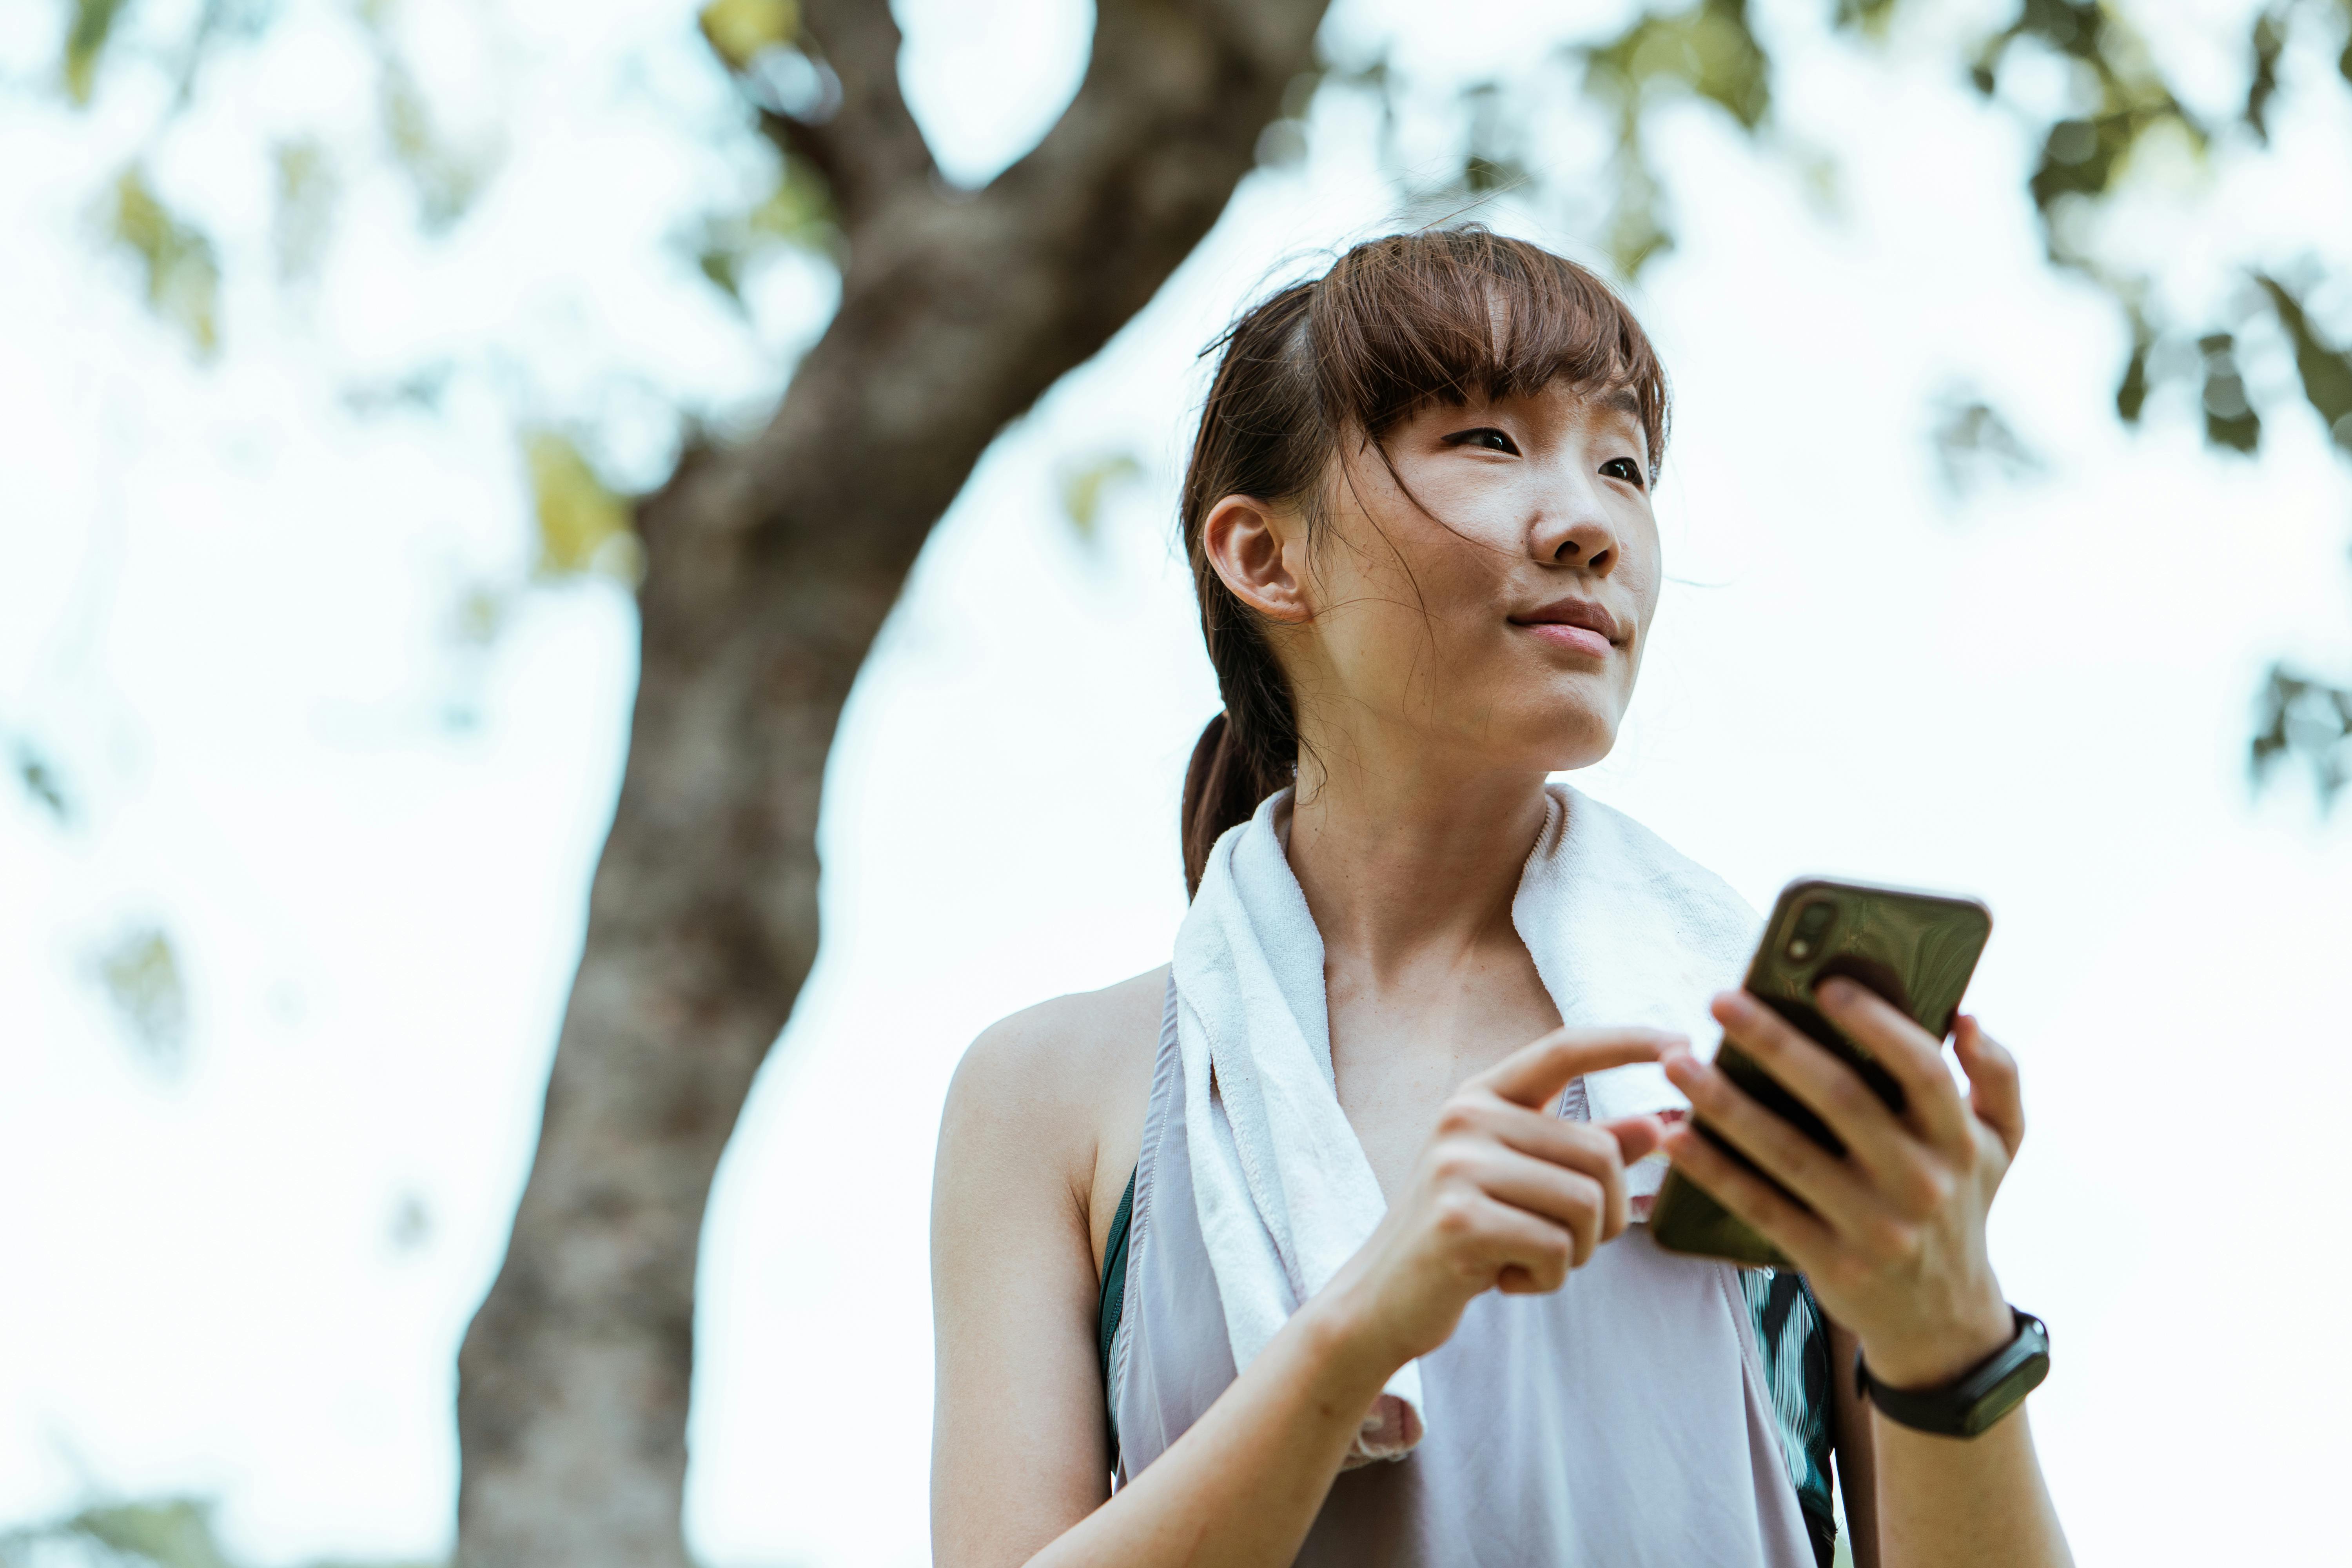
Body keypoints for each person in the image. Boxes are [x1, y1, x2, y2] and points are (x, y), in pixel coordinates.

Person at [928, 228, 2070, 1568]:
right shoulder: (1058, 1094)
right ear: (1263, 556)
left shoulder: (1754, 1064)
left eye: (1626, 464)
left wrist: (1948, 1334)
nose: (1590, 521)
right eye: (1485, 439)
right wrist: (1362, 1332)